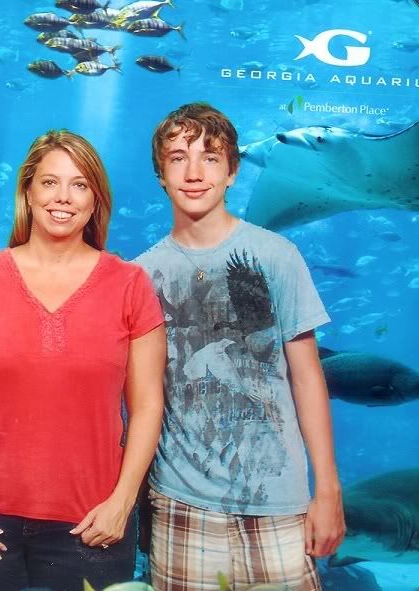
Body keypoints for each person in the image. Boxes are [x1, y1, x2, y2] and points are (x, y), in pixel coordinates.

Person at [0, 130, 167, 591]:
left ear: (96, 200)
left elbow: (147, 406)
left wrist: (123, 503)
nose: (63, 197)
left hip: (92, 524)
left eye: (79, 185)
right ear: (28, 190)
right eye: (50, 182)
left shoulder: (130, 284)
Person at [134, 103, 345, 590]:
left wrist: (328, 487)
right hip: (181, 501)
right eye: (177, 157)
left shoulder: (273, 256)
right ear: (160, 174)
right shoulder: (142, 275)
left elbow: (306, 375)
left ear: (232, 172)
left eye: (210, 158)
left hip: (279, 498)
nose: (193, 172)